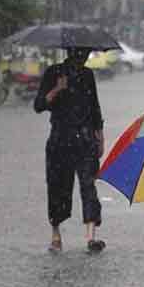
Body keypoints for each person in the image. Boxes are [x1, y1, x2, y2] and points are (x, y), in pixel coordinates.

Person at [33, 46, 105, 254]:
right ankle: (56, 235)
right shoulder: (53, 72)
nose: (84, 58)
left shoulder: (87, 75)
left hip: (85, 140)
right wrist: (57, 89)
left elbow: (94, 107)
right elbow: (38, 105)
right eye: (81, 54)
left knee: (88, 186)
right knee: (58, 187)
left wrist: (100, 136)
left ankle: (91, 237)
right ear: (71, 53)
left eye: (86, 54)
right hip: (60, 140)